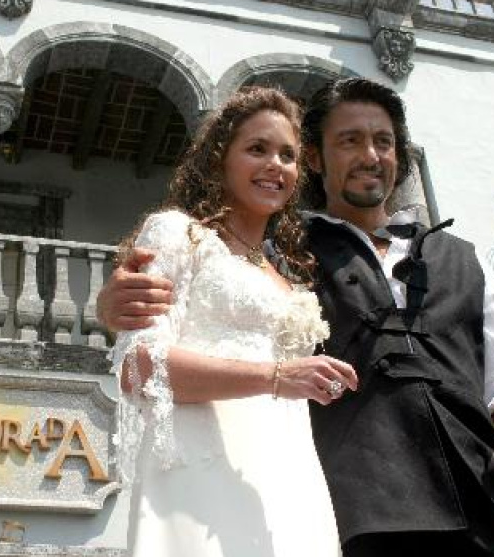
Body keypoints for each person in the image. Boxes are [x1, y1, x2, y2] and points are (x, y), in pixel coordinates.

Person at [99, 77, 494, 556]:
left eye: (383, 141)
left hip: (491, 500)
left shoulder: (467, 259)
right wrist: (110, 306)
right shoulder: (287, 258)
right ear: (317, 159)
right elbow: (198, 304)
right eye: (350, 141)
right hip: (366, 511)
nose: (370, 155)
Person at [110, 85, 357, 557]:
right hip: (203, 469)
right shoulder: (178, 235)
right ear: (219, 159)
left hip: (289, 474)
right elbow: (138, 368)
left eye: (287, 155)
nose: (275, 165)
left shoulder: (285, 272)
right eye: (257, 149)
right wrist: (275, 377)